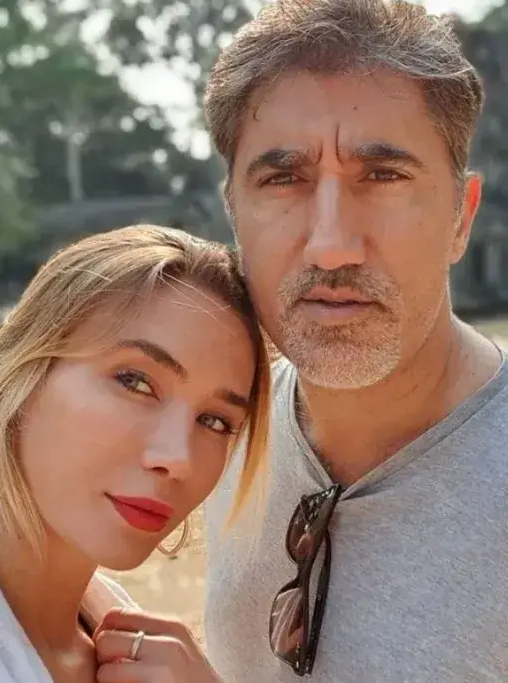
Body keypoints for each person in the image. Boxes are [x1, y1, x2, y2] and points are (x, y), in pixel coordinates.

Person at [202, 0, 508, 681]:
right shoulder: (220, 432)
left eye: (384, 176)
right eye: (283, 178)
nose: (332, 245)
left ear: (460, 218)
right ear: (234, 213)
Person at [0, 225, 270, 682]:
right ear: (25, 368)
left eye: (216, 421)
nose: (178, 458)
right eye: (135, 382)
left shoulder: (112, 630)